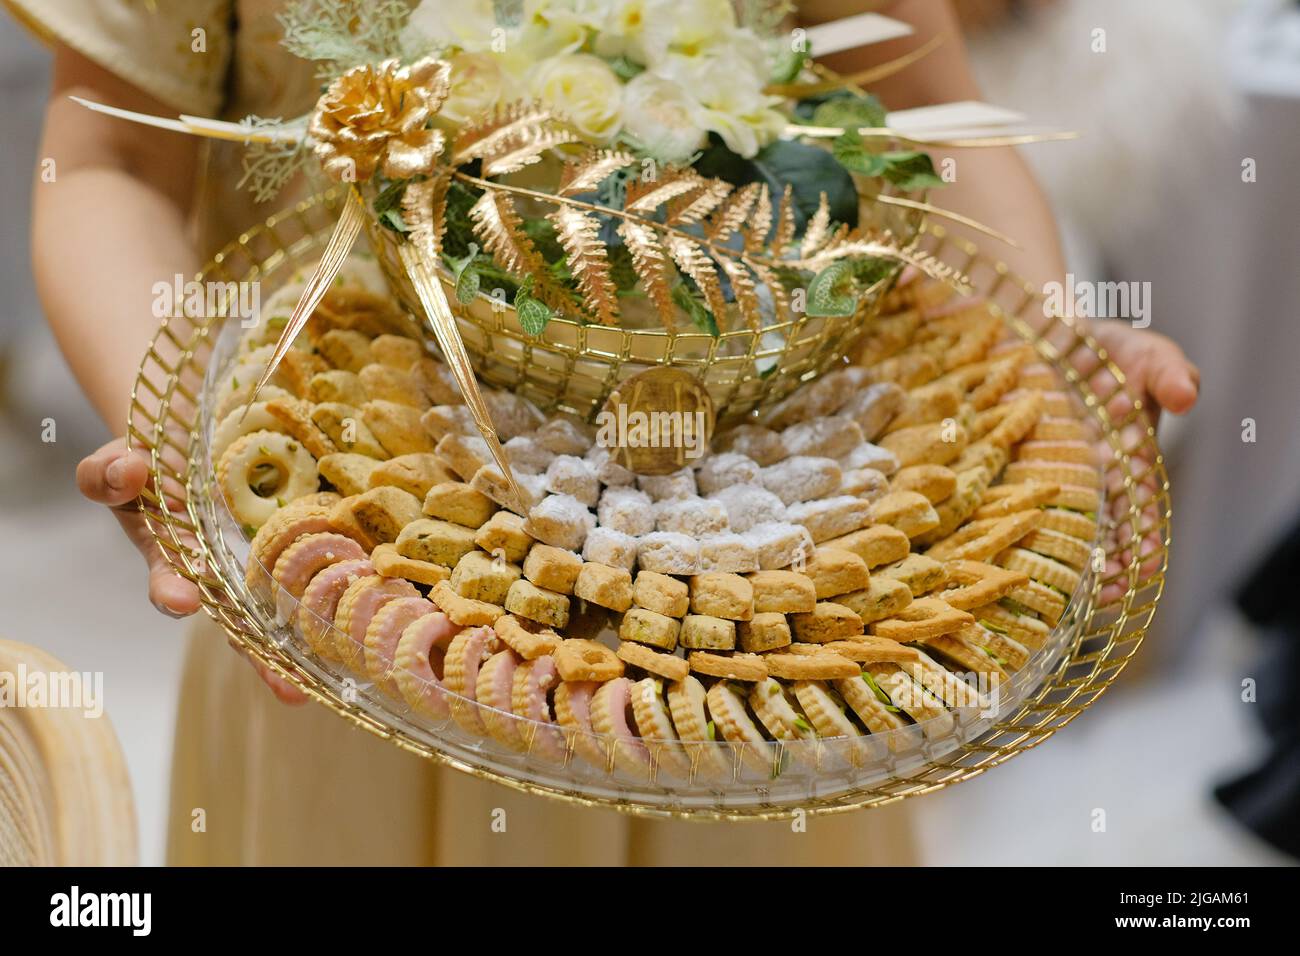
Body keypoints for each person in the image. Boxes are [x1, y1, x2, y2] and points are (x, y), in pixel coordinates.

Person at [20, 0, 1199, 864]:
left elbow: (914, 96)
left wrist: (1054, 347)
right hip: (356, 569)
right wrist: (180, 433)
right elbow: (113, 152)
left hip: (761, 596)